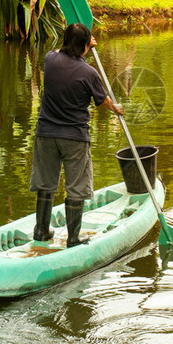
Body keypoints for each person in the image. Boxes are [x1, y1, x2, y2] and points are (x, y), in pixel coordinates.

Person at [30, 23, 124, 246]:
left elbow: (64, 54)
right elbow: (103, 101)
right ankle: (73, 238)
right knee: (77, 186)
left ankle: (41, 230)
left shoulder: (49, 60)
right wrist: (116, 109)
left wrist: (82, 46)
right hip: (74, 138)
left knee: (46, 183)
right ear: (84, 45)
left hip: (45, 135)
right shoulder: (89, 73)